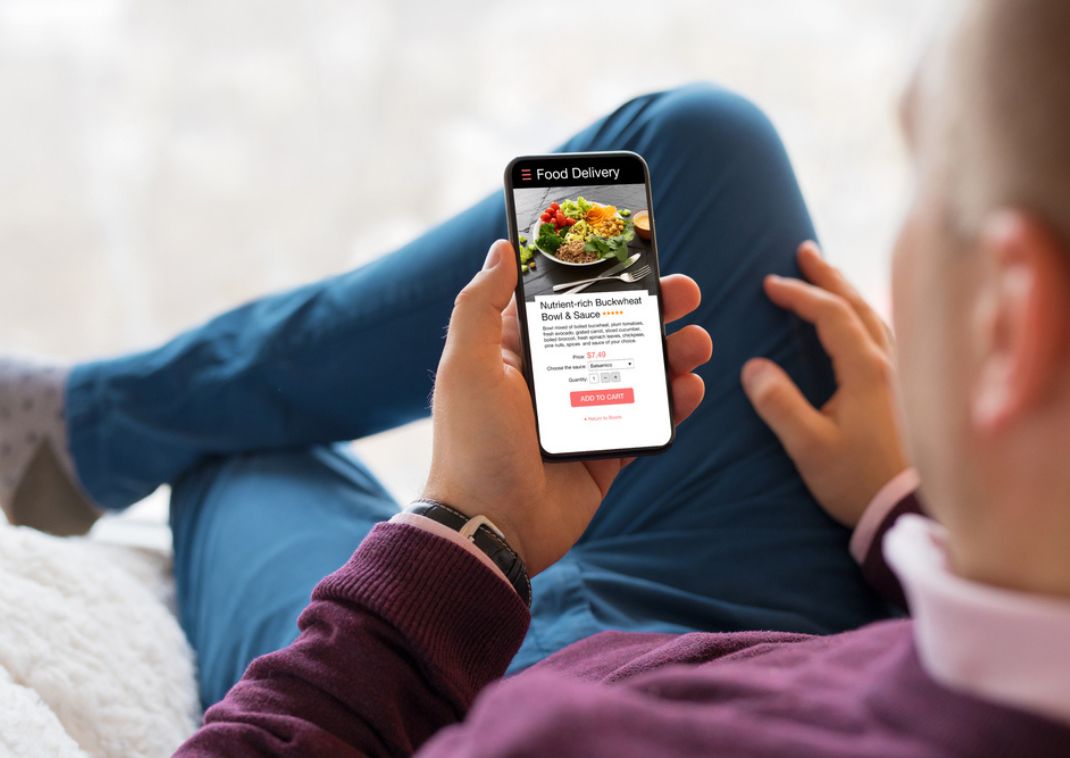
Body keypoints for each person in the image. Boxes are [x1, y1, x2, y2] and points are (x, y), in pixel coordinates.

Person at [3, 0, 1068, 754]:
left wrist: (466, 531)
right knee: (695, 142)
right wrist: (906, 509)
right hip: (819, 622)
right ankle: (96, 426)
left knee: (245, 456)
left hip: (472, 678)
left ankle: (103, 427)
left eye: (925, 191)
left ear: (1005, 321)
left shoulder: (557, 743)